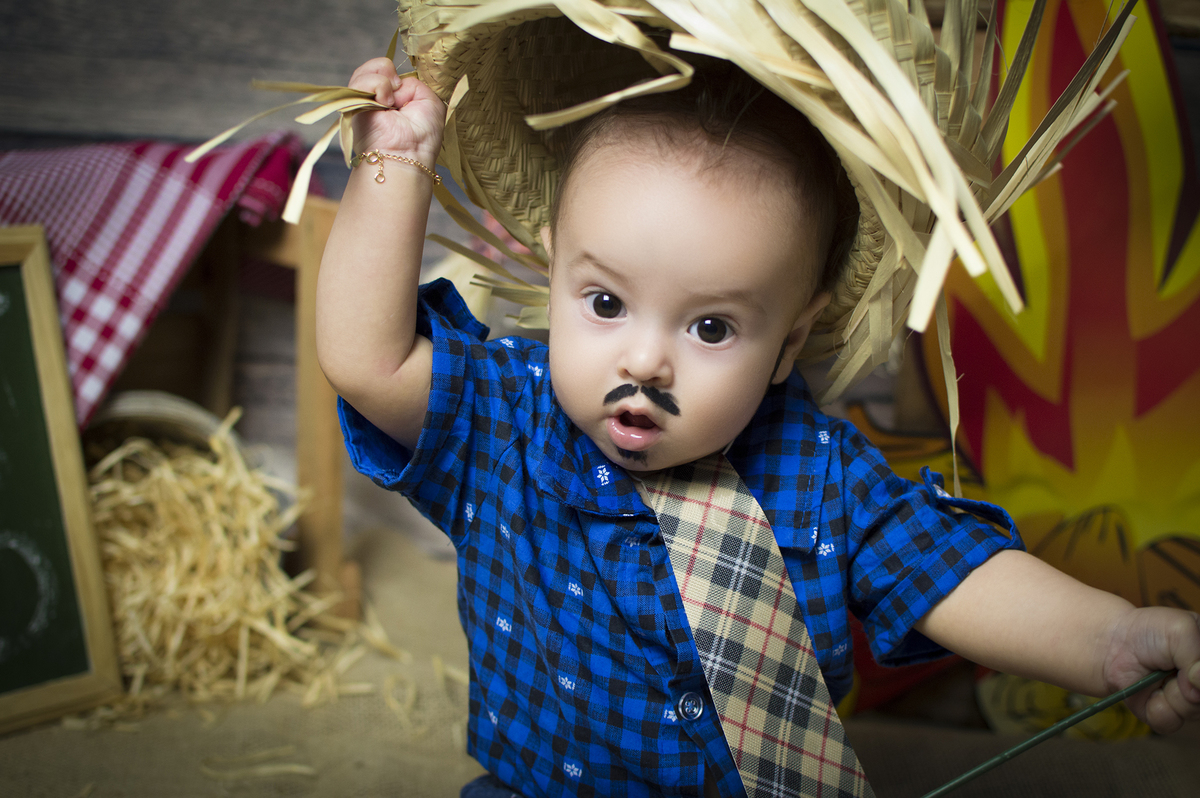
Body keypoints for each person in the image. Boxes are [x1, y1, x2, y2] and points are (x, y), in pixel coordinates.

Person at [316, 53, 1200, 798]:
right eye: (605, 302)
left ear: (790, 342)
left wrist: (1112, 640)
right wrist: (393, 164)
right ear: (554, 277)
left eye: (711, 327)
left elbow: (951, 572)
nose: (644, 362)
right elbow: (365, 361)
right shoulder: (505, 420)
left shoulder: (818, 475)